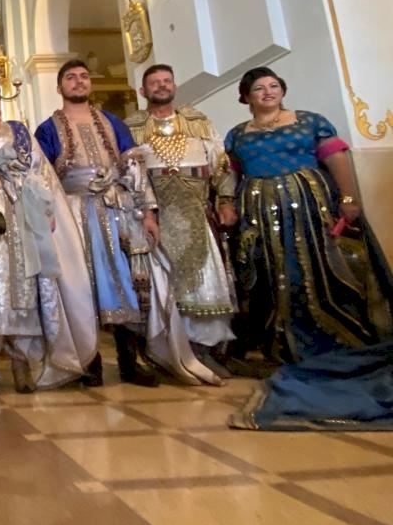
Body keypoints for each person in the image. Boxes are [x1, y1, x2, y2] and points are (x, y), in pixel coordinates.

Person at [224, 67, 392, 430]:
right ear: (246, 97)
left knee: (322, 272)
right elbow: (233, 176)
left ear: (283, 90)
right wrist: (230, 206)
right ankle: (280, 345)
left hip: (310, 213)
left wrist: (349, 198)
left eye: (274, 86)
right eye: (259, 88)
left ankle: (334, 339)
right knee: (271, 277)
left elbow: (336, 159)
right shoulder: (237, 135)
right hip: (260, 219)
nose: (268, 92)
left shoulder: (310, 122)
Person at [35, 59, 219, 387]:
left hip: (118, 211)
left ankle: (130, 360)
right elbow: (43, 179)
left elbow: (135, 168)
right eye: (70, 78)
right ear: (59, 87)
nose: (78, 82)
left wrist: (147, 212)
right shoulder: (47, 129)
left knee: (131, 281)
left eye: (83, 76)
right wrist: (48, 216)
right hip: (72, 216)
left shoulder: (112, 122)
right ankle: (88, 361)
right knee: (82, 286)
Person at [0, 75, 99, 393]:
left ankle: (21, 360)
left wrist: (47, 212)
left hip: (18, 213)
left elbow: (40, 172)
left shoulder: (18, 132)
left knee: (21, 284)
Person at [125, 64, 237, 376]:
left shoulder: (197, 122)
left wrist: (226, 200)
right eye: (154, 82)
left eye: (166, 81)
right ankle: (167, 350)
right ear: (143, 91)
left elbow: (221, 164)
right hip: (155, 215)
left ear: (174, 86)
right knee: (161, 282)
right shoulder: (132, 127)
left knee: (204, 278)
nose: (161, 86)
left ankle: (204, 347)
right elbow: (129, 172)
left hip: (196, 212)